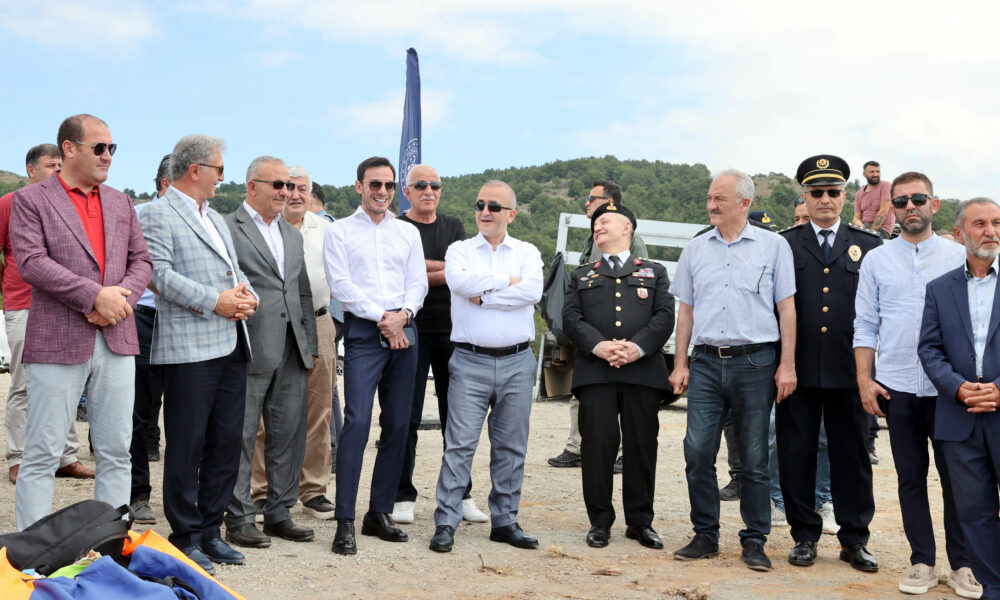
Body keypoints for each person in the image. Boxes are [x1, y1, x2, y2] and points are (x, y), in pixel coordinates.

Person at [11, 114, 152, 530]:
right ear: (69, 149)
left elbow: (142, 262)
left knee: (116, 451)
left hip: (117, 337)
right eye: (99, 147)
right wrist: (94, 296)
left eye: (112, 148)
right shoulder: (31, 200)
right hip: (57, 340)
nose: (108, 155)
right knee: (43, 451)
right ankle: (32, 550)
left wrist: (117, 301)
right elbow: (32, 262)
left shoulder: (121, 201)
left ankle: (108, 541)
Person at [854, 172, 980, 597]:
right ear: (892, 207)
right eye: (901, 201)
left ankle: (963, 564)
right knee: (910, 478)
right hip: (898, 386)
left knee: (958, 481)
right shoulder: (877, 260)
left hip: (951, 389)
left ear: (934, 204)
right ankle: (922, 562)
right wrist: (865, 380)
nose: (910, 207)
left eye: (918, 199)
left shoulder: (959, 256)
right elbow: (865, 324)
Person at [138, 135, 257, 573]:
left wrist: (249, 297)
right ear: (195, 170)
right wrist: (215, 302)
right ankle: (185, 536)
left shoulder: (216, 218)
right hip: (188, 348)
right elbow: (158, 275)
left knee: (226, 443)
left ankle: (210, 531)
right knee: (187, 446)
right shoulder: (156, 212)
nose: (222, 176)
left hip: (231, 342)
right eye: (219, 169)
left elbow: (235, 271)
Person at [668, 169, 796, 572]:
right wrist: (680, 362)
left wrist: (787, 365)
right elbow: (686, 311)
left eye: (719, 198)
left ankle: (755, 540)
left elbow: (787, 309)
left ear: (744, 203)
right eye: (709, 197)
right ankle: (705, 535)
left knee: (754, 458)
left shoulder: (774, 247)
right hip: (706, 362)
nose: (711, 205)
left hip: (756, 362)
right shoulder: (696, 249)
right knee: (697, 452)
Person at [777, 155, 881, 573]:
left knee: (852, 456)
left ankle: (854, 540)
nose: (825, 199)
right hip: (797, 369)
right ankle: (804, 535)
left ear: (845, 196)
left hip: (850, 370)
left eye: (832, 192)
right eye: (816, 192)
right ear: (804, 196)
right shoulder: (784, 243)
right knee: (796, 454)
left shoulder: (869, 245)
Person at [428, 180, 543, 553]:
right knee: (459, 445)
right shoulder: (459, 250)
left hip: (517, 361)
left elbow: (532, 291)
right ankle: (447, 521)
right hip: (469, 360)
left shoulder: (527, 252)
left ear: (511, 214)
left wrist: (485, 296)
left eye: (494, 206)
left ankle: (505, 522)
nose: (485, 212)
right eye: (480, 205)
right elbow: (459, 283)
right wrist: (507, 283)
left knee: (511, 446)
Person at [324, 156, 428, 555]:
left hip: (405, 329)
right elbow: (341, 285)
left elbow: (418, 282)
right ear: (359, 186)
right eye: (374, 184)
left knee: (399, 423)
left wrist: (404, 315)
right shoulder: (340, 231)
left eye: (388, 185)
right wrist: (383, 318)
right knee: (357, 422)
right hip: (366, 332)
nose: (382, 192)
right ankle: (345, 520)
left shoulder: (407, 233)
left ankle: (378, 512)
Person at [562, 202, 674, 549]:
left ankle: (640, 523)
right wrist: (599, 346)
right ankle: (599, 521)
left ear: (627, 227)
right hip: (597, 372)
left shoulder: (654, 272)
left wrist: (637, 348)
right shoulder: (582, 275)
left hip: (642, 372)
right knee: (597, 446)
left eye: (605, 220)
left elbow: (664, 316)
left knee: (641, 447)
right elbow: (571, 318)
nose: (598, 226)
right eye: (594, 223)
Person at [224, 156, 317, 549]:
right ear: (252, 186)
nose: (286, 192)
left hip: (292, 349)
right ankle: (239, 517)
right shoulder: (227, 228)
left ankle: (279, 512)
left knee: (288, 434)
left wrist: (309, 346)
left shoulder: (291, 234)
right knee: (241, 436)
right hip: (247, 347)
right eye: (277, 184)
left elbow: (301, 293)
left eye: (289, 186)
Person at [391, 164, 489, 525]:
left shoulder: (453, 227)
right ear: (407, 191)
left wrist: (423, 270)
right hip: (410, 330)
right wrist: (442, 271)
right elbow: (403, 275)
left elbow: (461, 273)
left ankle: (461, 494)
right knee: (406, 416)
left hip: (452, 331)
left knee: (457, 418)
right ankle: (402, 495)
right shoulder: (396, 228)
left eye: (435, 185)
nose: (428, 190)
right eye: (420, 185)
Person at [919, 196, 1000, 600]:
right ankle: (993, 587)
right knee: (974, 511)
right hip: (959, 414)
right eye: (980, 224)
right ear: (959, 232)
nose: (991, 232)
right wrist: (956, 386)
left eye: (996, 223)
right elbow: (929, 348)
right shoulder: (939, 289)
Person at [1, 144, 93, 485]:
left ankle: (66, 457)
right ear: (31, 170)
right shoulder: (10, 203)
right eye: (50, 165)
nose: (57, 170)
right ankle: (19, 457)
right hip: (24, 304)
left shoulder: (69, 204)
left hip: (65, 306)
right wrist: (10, 289)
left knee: (66, 383)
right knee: (24, 384)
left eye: (60, 165)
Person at [249, 166, 336, 521]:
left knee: (319, 409)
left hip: (318, 321)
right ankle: (260, 490)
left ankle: (313, 489)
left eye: (302, 188)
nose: (295, 194)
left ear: (311, 193)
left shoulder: (327, 230)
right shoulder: (260, 228)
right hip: (266, 324)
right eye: (288, 187)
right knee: (261, 413)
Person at [548, 180, 644, 473]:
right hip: (590, 331)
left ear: (610, 202)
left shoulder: (632, 238)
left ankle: (624, 454)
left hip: (620, 333)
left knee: (623, 394)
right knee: (582, 390)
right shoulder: (591, 239)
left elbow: (640, 283)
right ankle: (576, 448)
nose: (587, 203)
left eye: (592, 199)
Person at [129, 153, 171, 526]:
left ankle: (183, 497)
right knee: (140, 413)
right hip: (142, 320)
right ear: (166, 184)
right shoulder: (136, 216)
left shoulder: (205, 221)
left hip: (185, 324)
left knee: (187, 414)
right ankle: (138, 494)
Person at [852, 160, 893, 239]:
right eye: (872, 172)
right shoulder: (859, 193)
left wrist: (870, 233)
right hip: (864, 227)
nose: (875, 174)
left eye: (878, 171)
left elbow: (883, 212)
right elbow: (856, 218)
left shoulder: (886, 186)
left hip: (881, 229)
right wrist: (861, 228)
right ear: (864, 174)